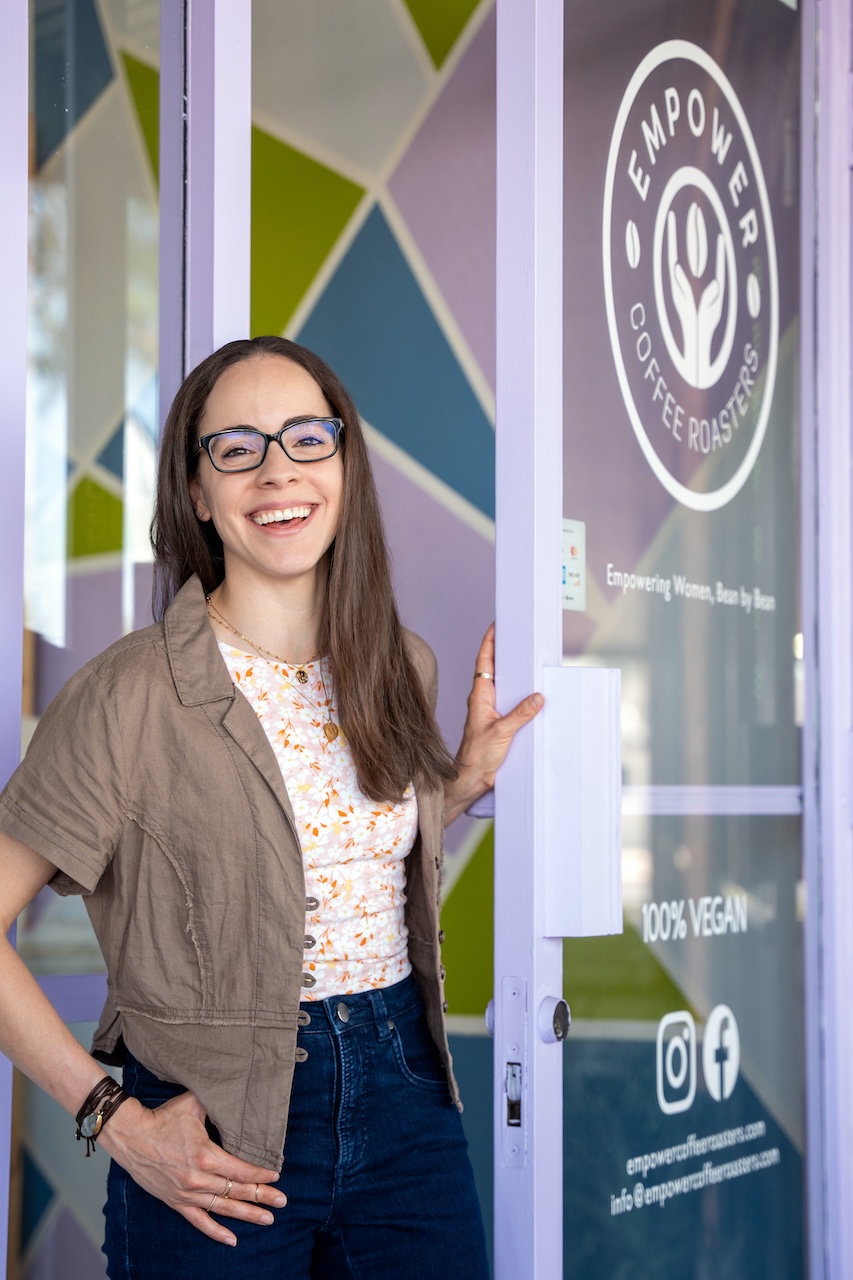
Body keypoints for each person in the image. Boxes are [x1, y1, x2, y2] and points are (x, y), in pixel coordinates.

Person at [0, 336, 542, 1279]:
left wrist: (458, 785)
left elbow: (313, 858)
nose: (277, 469)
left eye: (305, 437)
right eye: (237, 447)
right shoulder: (128, 694)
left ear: (344, 463)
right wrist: (113, 1120)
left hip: (406, 1094)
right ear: (198, 492)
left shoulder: (397, 663)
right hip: (212, 1131)